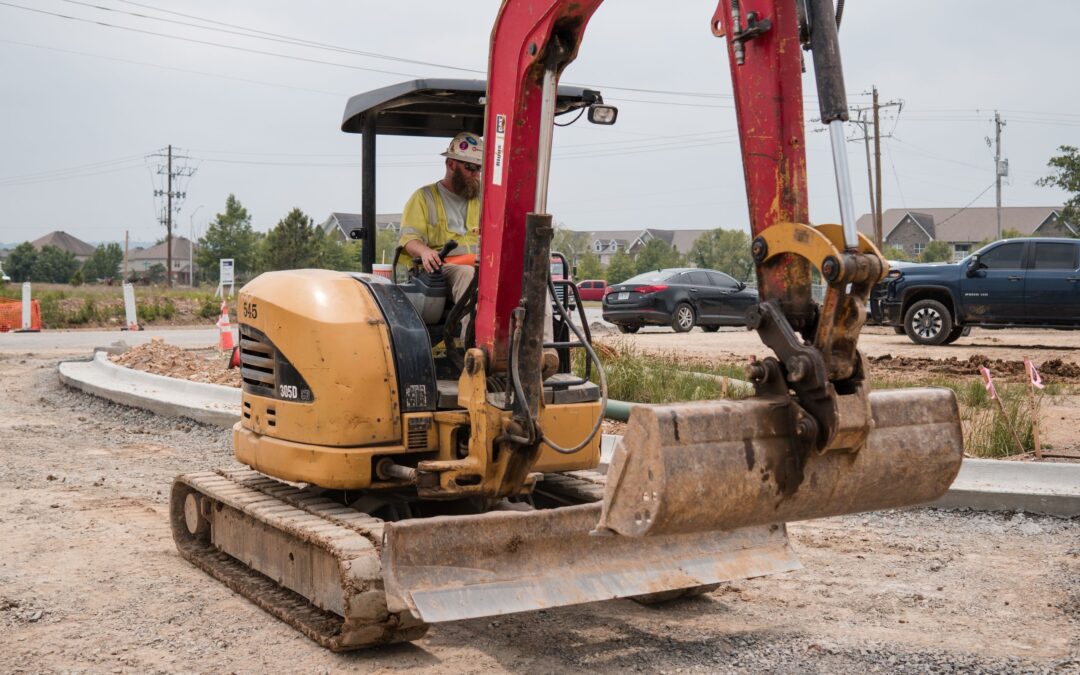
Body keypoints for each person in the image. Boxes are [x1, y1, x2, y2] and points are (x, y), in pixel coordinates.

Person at [399, 132, 558, 378]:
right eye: (470, 167)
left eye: (479, 169)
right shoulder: (424, 198)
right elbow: (409, 238)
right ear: (451, 164)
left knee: (534, 280)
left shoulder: (485, 198)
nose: (476, 174)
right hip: (444, 269)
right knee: (468, 277)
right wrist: (425, 250)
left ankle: (544, 351)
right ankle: (474, 352)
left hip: (486, 266)